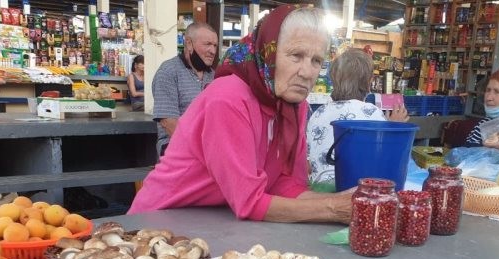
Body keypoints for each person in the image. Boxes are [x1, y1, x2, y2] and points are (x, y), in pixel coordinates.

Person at [129, 5, 352, 224]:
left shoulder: (294, 106)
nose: (307, 73)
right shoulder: (228, 99)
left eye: (316, 61)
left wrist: (351, 202)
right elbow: (249, 202)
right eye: (296, 55)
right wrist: (333, 208)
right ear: (268, 52)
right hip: (158, 223)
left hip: (216, 222)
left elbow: (285, 185)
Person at [306, 48, 409, 188]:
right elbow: (384, 156)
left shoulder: (319, 113)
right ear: (369, 82)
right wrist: (393, 127)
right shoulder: (372, 112)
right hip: (355, 189)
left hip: (319, 189)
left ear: (333, 79)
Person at [152, 22, 218, 153]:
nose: (213, 51)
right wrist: (199, 150)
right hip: (175, 145)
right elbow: (168, 123)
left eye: (215, 45)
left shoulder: (213, 76)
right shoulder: (169, 71)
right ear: (189, 44)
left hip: (209, 148)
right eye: (207, 44)